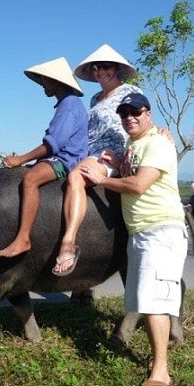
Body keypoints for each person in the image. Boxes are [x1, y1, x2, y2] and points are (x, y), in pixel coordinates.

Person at [80, 92, 186, 386]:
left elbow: (138, 184)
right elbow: (133, 173)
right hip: (140, 231)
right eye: (124, 114)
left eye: (136, 112)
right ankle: (158, 362)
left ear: (148, 113)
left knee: (155, 304)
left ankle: (160, 371)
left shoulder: (159, 143)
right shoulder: (133, 145)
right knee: (143, 298)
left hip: (161, 231)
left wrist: (101, 179)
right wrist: (117, 164)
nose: (130, 118)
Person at [52, 44, 142, 276]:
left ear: (117, 69)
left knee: (75, 177)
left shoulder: (129, 91)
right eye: (95, 68)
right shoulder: (94, 99)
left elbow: (142, 120)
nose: (100, 71)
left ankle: (68, 243)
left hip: (110, 154)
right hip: (88, 152)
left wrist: (161, 132)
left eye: (105, 66)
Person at [0, 57, 88, 258]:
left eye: (45, 81)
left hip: (67, 160)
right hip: (61, 156)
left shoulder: (70, 106)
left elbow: (52, 144)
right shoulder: (65, 104)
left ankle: (23, 239)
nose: (42, 86)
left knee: (30, 179)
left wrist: (21, 159)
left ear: (57, 81)